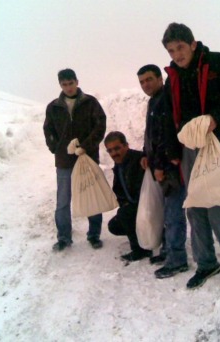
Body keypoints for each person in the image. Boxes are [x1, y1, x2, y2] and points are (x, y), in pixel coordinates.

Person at [162, 23, 220, 293]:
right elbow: (170, 117)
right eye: (171, 50)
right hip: (190, 150)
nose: (177, 54)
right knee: (194, 207)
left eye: (180, 47)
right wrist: (173, 152)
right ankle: (206, 263)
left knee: (217, 207)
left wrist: (216, 118)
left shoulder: (217, 64)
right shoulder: (173, 78)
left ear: (192, 44)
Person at [43, 68, 106, 251]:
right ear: (60, 85)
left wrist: (86, 145)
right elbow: (48, 130)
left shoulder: (90, 102)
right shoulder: (54, 106)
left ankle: (94, 235)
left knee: (91, 196)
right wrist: (55, 147)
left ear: (77, 82)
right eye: (64, 84)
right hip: (64, 162)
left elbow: (100, 125)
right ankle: (63, 237)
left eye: (71, 83)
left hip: (87, 158)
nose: (68, 87)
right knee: (63, 201)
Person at [137, 64, 188, 279]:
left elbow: (167, 136)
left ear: (159, 78)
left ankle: (177, 260)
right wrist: (145, 154)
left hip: (171, 167)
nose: (145, 85)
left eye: (149, 79)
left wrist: (159, 165)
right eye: (141, 82)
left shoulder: (166, 98)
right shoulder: (154, 101)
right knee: (168, 211)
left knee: (174, 214)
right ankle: (168, 251)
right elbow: (152, 135)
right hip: (161, 164)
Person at [104, 131, 152, 262]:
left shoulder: (139, 160)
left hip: (148, 207)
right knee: (114, 225)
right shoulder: (119, 165)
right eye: (110, 150)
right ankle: (144, 236)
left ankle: (140, 249)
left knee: (125, 214)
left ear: (126, 145)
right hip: (135, 207)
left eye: (117, 148)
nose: (114, 153)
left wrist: (128, 207)